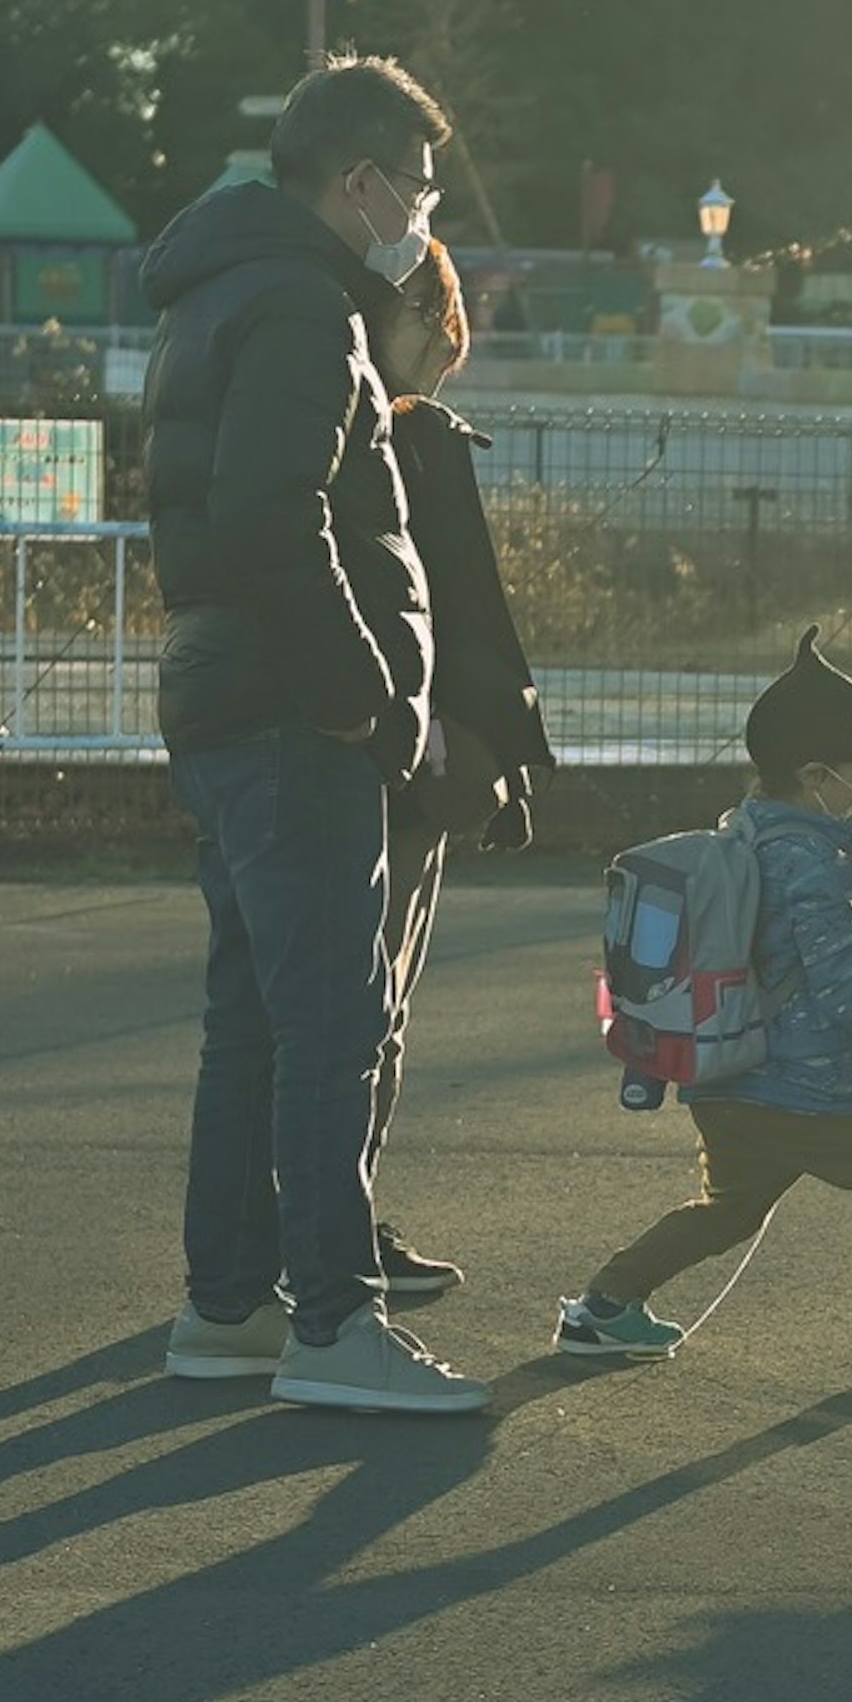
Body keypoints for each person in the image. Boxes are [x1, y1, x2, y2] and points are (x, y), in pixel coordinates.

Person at [142, 54, 484, 1419]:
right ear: (359, 181)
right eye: (417, 185)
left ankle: (228, 1304)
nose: (422, 213)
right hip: (297, 721)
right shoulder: (301, 306)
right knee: (330, 1026)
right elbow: (274, 517)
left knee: (256, 1025)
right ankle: (334, 1324)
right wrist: (365, 694)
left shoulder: (219, 289)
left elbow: (228, 515)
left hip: (226, 702)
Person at [556, 634, 852, 1372]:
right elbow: (849, 984)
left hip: (727, 1075)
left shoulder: (746, 835)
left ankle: (605, 1305)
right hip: (808, 1083)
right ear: (816, 774)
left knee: (729, 1209)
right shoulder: (810, 865)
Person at [360, 234, 556, 1301]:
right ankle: (340, 1225)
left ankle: (281, 1230)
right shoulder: (417, 439)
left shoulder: (313, 422)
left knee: (293, 1014)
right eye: (443, 338)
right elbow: (473, 617)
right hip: (412, 752)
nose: (447, 358)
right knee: (375, 1006)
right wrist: (508, 759)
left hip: (322, 741)